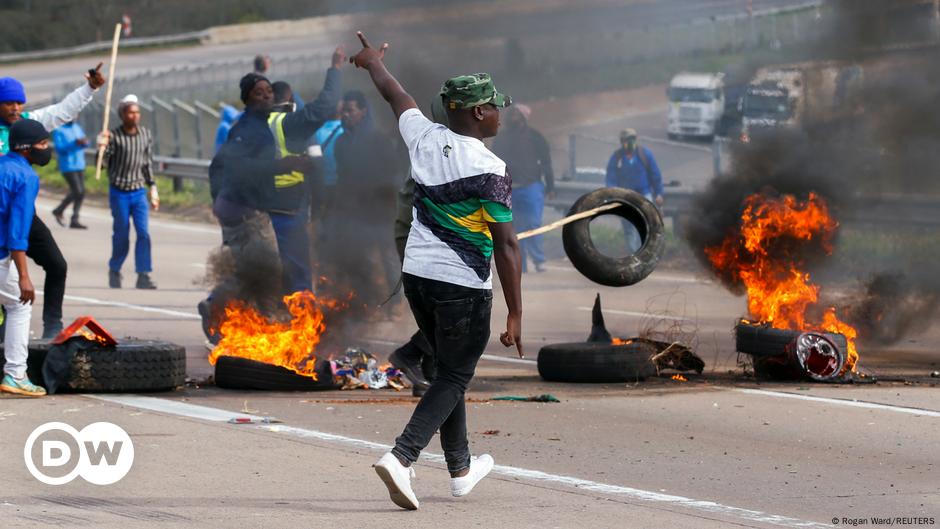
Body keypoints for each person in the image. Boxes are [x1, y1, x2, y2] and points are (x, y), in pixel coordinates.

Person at [350, 31, 523, 510]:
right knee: (455, 377)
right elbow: (507, 246)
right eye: (494, 106)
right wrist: (515, 313)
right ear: (476, 113)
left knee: (449, 370)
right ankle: (401, 457)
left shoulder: (423, 135)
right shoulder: (491, 167)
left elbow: (395, 95)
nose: (500, 114)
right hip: (461, 285)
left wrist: (371, 63)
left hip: (418, 278)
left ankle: (461, 470)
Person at [0, 66, 105, 339]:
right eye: (9, 103)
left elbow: (60, 112)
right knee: (9, 286)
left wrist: (89, 89)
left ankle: (52, 328)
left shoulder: (26, 123)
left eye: (19, 102)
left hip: (22, 212)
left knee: (57, 265)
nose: (15, 108)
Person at [326, 89, 401, 308]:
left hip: (380, 211)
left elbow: (393, 174)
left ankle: (396, 304)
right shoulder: (340, 142)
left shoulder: (379, 140)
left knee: (388, 257)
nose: (345, 115)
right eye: (343, 111)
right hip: (355, 212)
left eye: (350, 110)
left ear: (363, 112)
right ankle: (370, 302)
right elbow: (342, 178)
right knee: (363, 258)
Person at [0, 120, 48, 396]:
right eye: (42, 144)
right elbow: (17, 231)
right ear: (28, 148)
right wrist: (25, 277)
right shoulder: (26, 177)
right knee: (19, 305)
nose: (46, 148)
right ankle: (16, 374)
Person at [100, 94, 159, 290]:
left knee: (143, 233)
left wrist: (154, 189)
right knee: (122, 234)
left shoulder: (145, 135)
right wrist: (101, 146)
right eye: (130, 112)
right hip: (119, 193)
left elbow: (147, 164)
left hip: (138, 192)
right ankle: (114, 269)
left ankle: (143, 274)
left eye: (137, 112)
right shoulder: (114, 136)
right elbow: (101, 165)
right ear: (122, 114)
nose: (134, 116)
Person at [492, 103, 554, 273]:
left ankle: (539, 260)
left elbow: (547, 162)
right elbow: (492, 163)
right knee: (513, 227)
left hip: (531, 187)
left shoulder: (535, 137)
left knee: (533, 223)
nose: (513, 116)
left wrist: (550, 186)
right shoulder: (501, 138)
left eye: (517, 114)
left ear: (524, 117)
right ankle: (521, 263)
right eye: (511, 114)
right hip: (507, 188)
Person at [604, 128, 664, 252]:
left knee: (646, 225)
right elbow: (611, 178)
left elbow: (655, 175)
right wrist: (612, 195)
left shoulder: (645, 154)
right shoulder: (616, 157)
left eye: (633, 139)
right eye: (627, 140)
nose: (630, 142)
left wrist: (659, 193)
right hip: (625, 198)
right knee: (629, 229)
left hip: (644, 195)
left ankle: (645, 253)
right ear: (622, 142)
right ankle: (634, 255)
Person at [51, 121, 89, 229]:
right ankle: (59, 210)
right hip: (68, 165)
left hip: (79, 164)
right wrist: (75, 143)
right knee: (78, 191)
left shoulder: (77, 126)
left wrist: (84, 142)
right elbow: (59, 148)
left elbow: (85, 143)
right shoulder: (59, 130)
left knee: (81, 192)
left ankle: (74, 219)